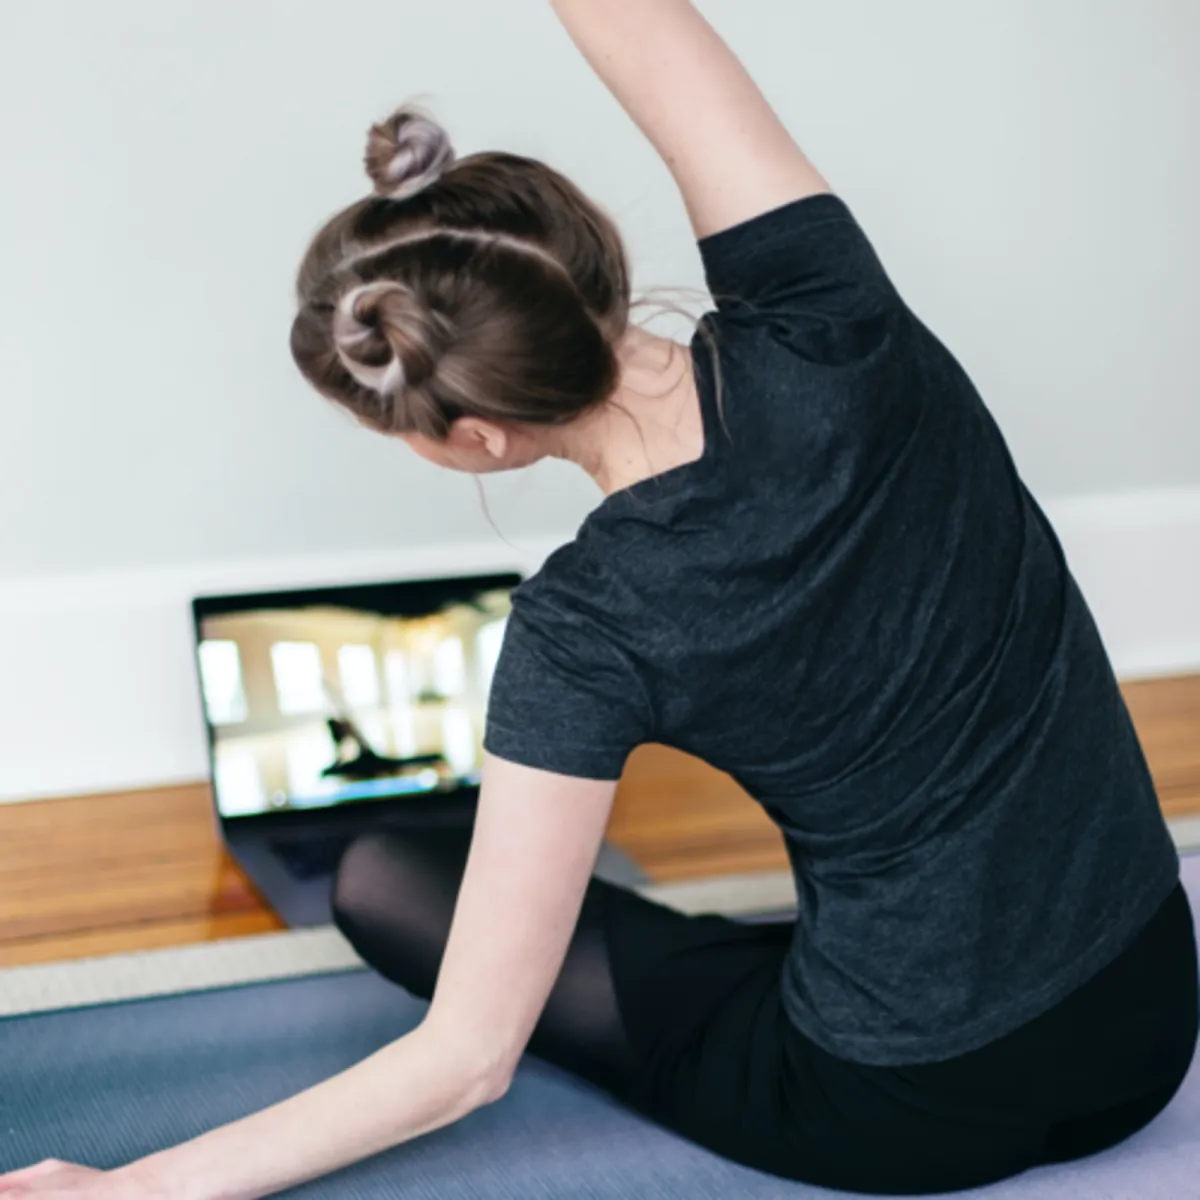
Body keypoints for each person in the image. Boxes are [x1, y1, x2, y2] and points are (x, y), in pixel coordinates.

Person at [3, 2, 1195, 1196]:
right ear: (587, 253)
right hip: (1148, 1014)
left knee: (384, 877)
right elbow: (646, 28)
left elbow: (466, 1061)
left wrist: (129, 1191)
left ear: (474, 438)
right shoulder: (835, 312)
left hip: (904, 1101)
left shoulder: (589, 628)